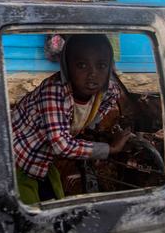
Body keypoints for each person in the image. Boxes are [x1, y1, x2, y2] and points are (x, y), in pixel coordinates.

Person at [11, 34, 132, 204]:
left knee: (57, 202)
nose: (93, 74)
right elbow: (62, 146)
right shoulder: (54, 92)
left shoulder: (106, 90)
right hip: (18, 158)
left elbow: (109, 100)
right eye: (82, 65)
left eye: (102, 65)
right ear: (66, 67)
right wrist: (109, 149)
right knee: (31, 214)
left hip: (45, 157)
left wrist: (90, 126)